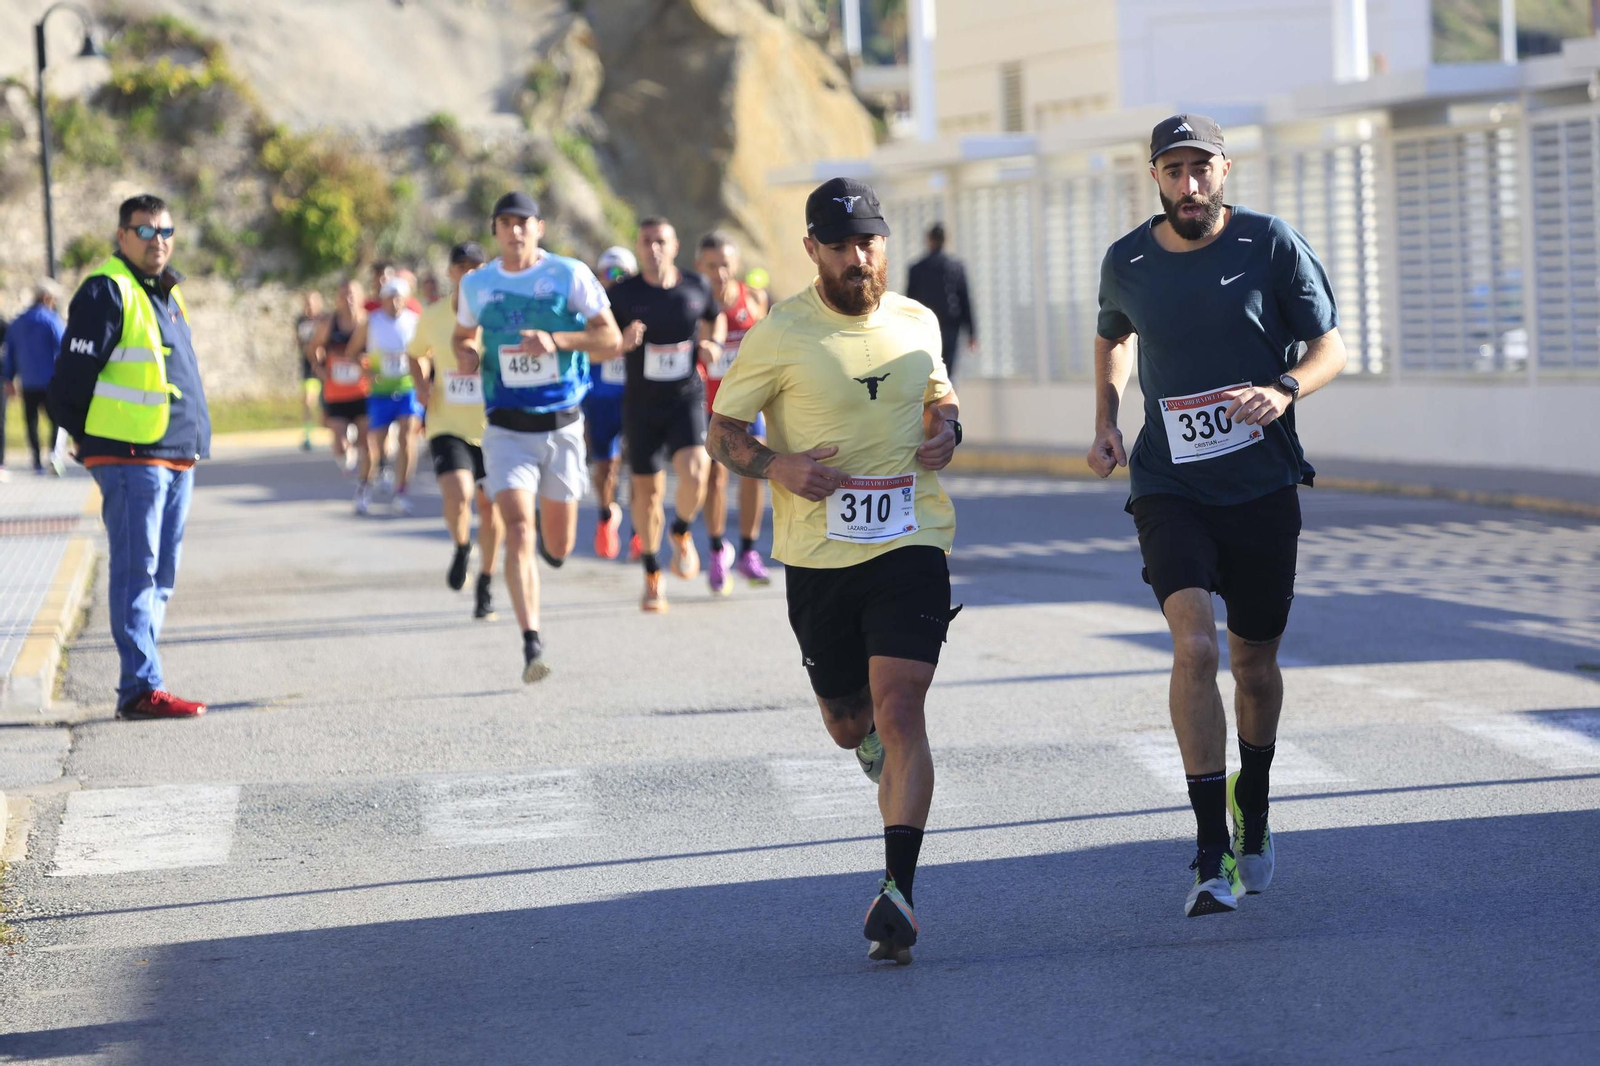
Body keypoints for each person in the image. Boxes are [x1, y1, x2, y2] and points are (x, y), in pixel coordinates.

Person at [1087, 114, 1348, 917]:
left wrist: (1285, 390)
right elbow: (1113, 337)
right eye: (1174, 170)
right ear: (1156, 178)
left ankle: (1255, 806)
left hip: (1262, 486)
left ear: (1224, 171)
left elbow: (1331, 347)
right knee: (1194, 645)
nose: (1189, 184)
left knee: (1255, 668)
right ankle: (1208, 852)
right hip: (1171, 485)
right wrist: (1104, 416)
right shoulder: (1127, 259)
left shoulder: (1269, 243)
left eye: (1202, 168)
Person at [708, 177, 961, 964]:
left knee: (900, 705)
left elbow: (940, 401)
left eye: (871, 242)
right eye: (844, 245)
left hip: (911, 540)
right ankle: (870, 753)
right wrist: (776, 464)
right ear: (813, 249)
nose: (861, 258)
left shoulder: (917, 320)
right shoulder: (780, 332)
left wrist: (947, 430)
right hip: (819, 557)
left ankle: (898, 892)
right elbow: (721, 431)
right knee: (850, 722)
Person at [47, 193, 212, 720]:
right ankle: (140, 687)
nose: (156, 241)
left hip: (172, 453)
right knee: (137, 569)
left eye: (164, 231)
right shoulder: (106, 290)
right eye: (144, 231)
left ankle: (141, 680)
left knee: (161, 573)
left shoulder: (165, 291)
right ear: (122, 236)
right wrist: (79, 434)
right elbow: (71, 377)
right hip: (129, 455)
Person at [453, 191, 622, 682]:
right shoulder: (476, 284)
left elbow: (609, 339)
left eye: (522, 222)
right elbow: (463, 335)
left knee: (560, 544)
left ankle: (555, 548)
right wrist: (466, 352)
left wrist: (557, 341)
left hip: (563, 426)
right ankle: (532, 643)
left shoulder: (569, 275)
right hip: (506, 428)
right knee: (518, 529)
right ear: (495, 231)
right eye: (504, 222)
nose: (514, 231)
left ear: (539, 228)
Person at [609, 217, 726, 612]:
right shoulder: (623, 294)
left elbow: (715, 316)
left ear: (675, 246)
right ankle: (652, 576)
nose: (654, 248)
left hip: (685, 398)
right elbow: (601, 340)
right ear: (639, 247)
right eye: (647, 242)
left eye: (661, 241)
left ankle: (680, 532)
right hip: (641, 406)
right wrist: (620, 341)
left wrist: (713, 341)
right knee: (648, 494)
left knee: (698, 470)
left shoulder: (696, 286)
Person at [409, 241, 502, 620]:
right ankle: (463, 546)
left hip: (495, 425)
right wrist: (421, 384)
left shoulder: (497, 314)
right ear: (451, 272)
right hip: (447, 422)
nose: (469, 274)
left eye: (477, 267)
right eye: (462, 266)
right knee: (459, 492)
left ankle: (485, 582)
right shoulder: (432, 316)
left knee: (491, 508)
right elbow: (415, 352)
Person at [695, 232, 772, 594]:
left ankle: (748, 551)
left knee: (754, 469)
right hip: (708, 404)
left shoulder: (753, 299)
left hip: (747, 404)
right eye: (711, 266)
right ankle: (714, 550)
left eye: (724, 264)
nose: (719, 273)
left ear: (735, 264)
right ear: (700, 267)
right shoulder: (693, 303)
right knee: (714, 478)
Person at [348, 277, 423, 516]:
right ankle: (364, 487)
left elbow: (427, 355)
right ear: (382, 299)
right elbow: (352, 353)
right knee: (373, 446)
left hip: (407, 390)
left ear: (407, 298)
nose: (395, 302)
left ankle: (401, 492)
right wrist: (366, 370)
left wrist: (423, 379)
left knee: (407, 439)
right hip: (380, 392)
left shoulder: (415, 322)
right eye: (390, 297)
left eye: (399, 297)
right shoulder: (371, 322)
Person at [583, 245, 636, 559]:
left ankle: (639, 529)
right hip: (600, 398)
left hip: (634, 399)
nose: (615, 279)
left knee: (639, 467)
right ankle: (605, 515)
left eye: (623, 274)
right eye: (609, 273)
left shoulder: (640, 307)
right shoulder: (590, 310)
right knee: (606, 466)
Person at [2, 278, 68, 475]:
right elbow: (63, 347)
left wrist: (9, 378)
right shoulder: (51, 319)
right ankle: (54, 457)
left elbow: (10, 352)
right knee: (56, 420)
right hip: (50, 380)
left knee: (31, 422)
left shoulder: (18, 321)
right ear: (47, 298)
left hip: (28, 381)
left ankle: (36, 462)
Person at [309, 280, 370, 480]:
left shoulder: (368, 322)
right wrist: (319, 367)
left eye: (352, 294)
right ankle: (346, 451)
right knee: (340, 445)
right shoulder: (329, 324)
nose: (348, 299)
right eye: (344, 295)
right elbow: (313, 347)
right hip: (336, 393)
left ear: (362, 297)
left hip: (363, 392)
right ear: (337, 300)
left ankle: (369, 472)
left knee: (365, 440)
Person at [905, 223, 977, 379]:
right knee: (947, 371)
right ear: (945, 240)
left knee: (926, 370)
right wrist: (972, 333)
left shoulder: (916, 269)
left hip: (923, 327)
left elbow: (909, 303)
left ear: (928, 240)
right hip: (950, 327)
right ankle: (946, 401)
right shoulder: (956, 266)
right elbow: (965, 300)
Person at [295, 291, 324, 452]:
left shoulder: (326, 320)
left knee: (328, 405)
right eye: (306, 303)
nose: (309, 306)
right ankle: (307, 435)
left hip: (326, 368)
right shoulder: (301, 321)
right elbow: (299, 342)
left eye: (312, 303)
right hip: (309, 369)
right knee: (308, 401)